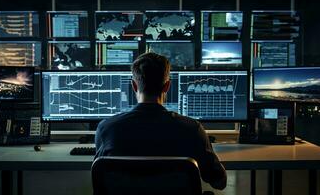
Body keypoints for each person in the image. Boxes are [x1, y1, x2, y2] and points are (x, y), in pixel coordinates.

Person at [94, 52, 227, 190]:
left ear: (133, 86)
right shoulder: (192, 129)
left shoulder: (106, 129)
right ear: (167, 86)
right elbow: (219, 182)